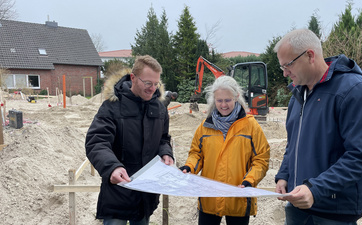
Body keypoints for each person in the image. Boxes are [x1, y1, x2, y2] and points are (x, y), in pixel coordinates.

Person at [273, 29, 362, 225]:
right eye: (282, 67)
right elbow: (293, 144)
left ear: (310, 56)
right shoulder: (298, 96)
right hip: (298, 205)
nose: (285, 73)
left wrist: (315, 189)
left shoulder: (352, 91)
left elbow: (360, 156)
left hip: (334, 212)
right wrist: (284, 175)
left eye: (287, 65)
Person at [85, 55, 174, 225]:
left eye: (156, 84)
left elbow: (163, 138)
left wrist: (165, 153)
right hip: (118, 192)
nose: (152, 88)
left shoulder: (160, 108)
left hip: (146, 194)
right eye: (148, 83)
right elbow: (97, 141)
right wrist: (112, 167)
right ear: (133, 78)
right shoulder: (112, 106)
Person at [180, 75, 270, 225]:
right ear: (213, 100)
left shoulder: (251, 126)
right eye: (219, 100)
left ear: (237, 97)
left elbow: (261, 159)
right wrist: (189, 167)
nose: (223, 105)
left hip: (238, 199)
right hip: (209, 200)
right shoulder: (204, 126)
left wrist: (249, 181)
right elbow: (196, 154)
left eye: (227, 100)